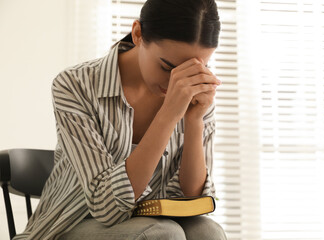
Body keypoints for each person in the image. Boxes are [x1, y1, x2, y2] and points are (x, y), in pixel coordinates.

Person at [14, 0, 227, 239]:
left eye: (196, 68)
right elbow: (106, 208)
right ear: (137, 34)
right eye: (167, 67)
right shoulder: (75, 85)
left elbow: (194, 200)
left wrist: (195, 121)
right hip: (69, 225)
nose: (177, 83)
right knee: (161, 233)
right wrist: (168, 114)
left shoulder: (195, 93)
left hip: (150, 223)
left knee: (207, 232)